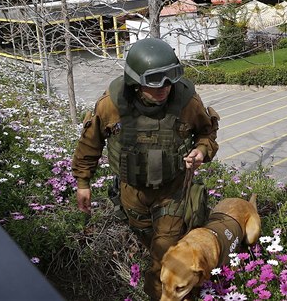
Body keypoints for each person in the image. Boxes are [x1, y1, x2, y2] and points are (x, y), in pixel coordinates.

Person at [71, 38, 219, 300]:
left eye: (170, 77)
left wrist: (201, 151)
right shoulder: (111, 104)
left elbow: (207, 133)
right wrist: (83, 182)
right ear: (135, 81)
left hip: (172, 190)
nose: (164, 87)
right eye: (155, 80)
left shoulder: (186, 102)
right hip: (132, 192)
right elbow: (89, 143)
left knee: (164, 252)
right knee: (151, 243)